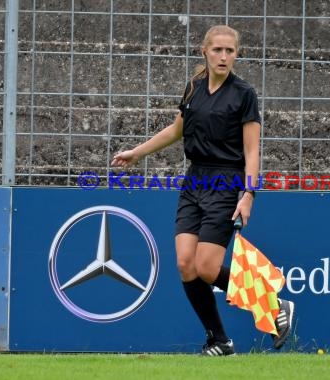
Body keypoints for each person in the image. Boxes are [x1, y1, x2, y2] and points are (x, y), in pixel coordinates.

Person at [111, 25, 294, 356]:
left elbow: (252, 152)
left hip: (227, 184)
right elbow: (176, 131)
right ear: (204, 52)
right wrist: (136, 153)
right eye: (218, 50)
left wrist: (249, 194)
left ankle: (272, 304)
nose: (224, 56)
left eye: (230, 51)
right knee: (185, 264)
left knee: (207, 267)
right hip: (194, 182)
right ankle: (219, 340)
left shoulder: (244, 95)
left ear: (236, 54)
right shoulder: (193, 87)